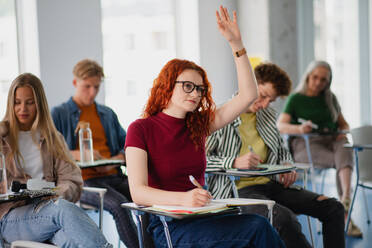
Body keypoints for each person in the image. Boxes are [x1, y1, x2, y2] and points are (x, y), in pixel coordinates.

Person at [125, 6, 284, 248]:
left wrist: (236, 43)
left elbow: (248, 94)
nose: (195, 93)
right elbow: (138, 192)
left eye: (199, 89)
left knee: (256, 225)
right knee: (256, 228)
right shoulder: (140, 129)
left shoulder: (198, 125)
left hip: (205, 215)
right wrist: (185, 199)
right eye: (187, 86)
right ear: (167, 85)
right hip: (170, 225)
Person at [206, 62, 345, 248]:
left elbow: (281, 149)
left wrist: (287, 164)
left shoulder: (268, 115)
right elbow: (200, 162)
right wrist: (234, 162)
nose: (264, 104)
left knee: (334, 208)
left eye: (270, 100)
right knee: (285, 220)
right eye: (262, 96)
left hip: (272, 185)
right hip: (238, 192)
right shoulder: (219, 115)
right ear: (248, 85)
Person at [0, 73, 111, 248]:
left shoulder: (53, 138)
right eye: (17, 102)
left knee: (71, 241)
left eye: (30, 102)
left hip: (48, 210)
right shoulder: (1, 137)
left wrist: (57, 195)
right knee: (63, 210)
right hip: (11, 218)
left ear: (40, 104)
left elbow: (71, 179)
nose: (23, 109)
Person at [51, 59, 138, 247]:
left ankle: (152, 243)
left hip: (114, 175)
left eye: (96, 87)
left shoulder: (107, 113)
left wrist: (117, 158)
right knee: (119, 205)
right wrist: (75, 154)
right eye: (87, 86)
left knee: (146, 195)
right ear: (75, 83)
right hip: (83, 181)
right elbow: (49, 150)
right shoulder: (59, 113)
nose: (92, 92)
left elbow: (129, 145)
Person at [277, 60, 362, 237]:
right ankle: (346, 211)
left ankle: (345, 198)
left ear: (328, 82)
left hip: (331, 143)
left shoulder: (330, 99)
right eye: (315, 77)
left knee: (344, 144)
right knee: (343, 161)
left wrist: (342, 132)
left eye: (323, 80)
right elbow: (281, 125)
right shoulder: (296, 99)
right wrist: (300, 129)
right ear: (308, 76)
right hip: (306, 146)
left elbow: (344, 124)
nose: (318, 82)